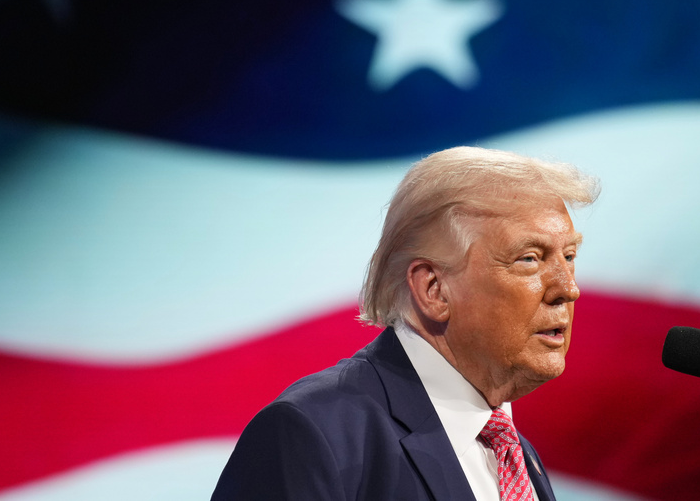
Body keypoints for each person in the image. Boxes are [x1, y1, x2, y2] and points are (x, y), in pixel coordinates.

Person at [211, 146, 600, 500]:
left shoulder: (515, 456)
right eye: (529, 258)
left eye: (569, 256)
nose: (569, 289)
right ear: (434, 289)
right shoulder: (314, 435)